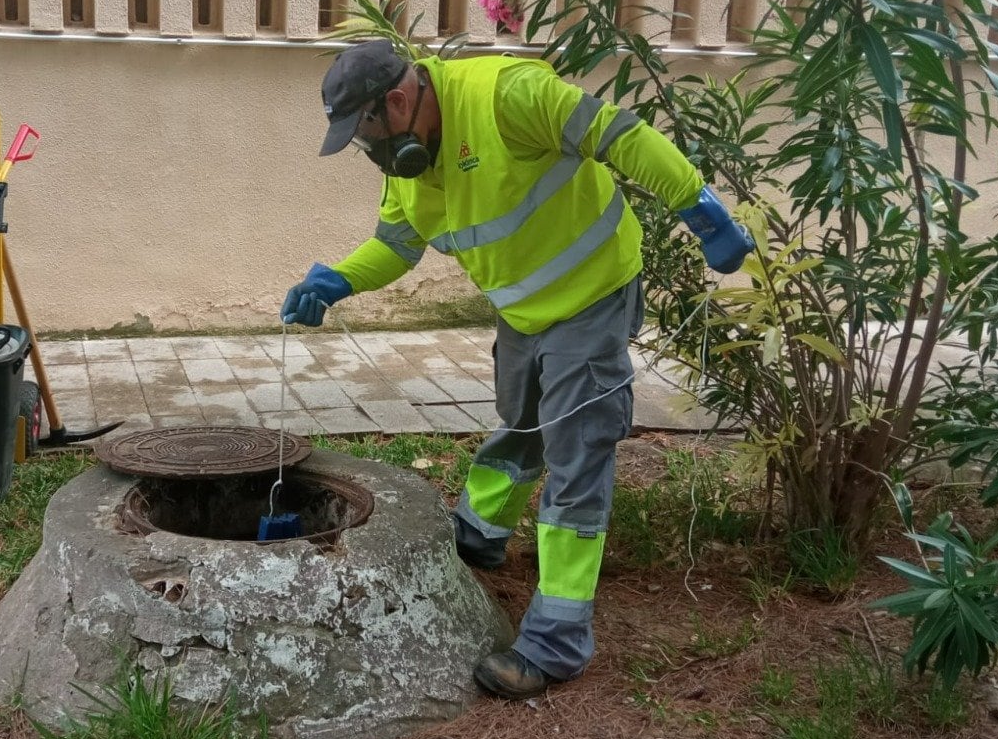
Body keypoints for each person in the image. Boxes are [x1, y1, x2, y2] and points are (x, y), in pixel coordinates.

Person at [282, 39, 751, 699]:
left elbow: (621, 136)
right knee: (523, 424)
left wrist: (699, 208)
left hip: (591, 295)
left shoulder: (507, 98)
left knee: (577, 451)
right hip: (523, 314)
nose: (369, 149)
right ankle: (479, 534)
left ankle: (557, 639)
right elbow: (395, 247)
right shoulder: (407, 166)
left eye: (367, 131)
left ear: (398, 100)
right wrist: (337, 281)